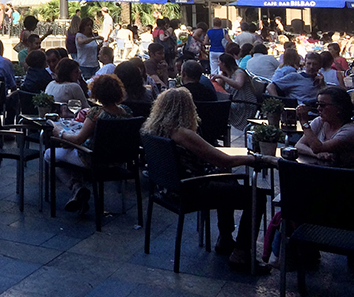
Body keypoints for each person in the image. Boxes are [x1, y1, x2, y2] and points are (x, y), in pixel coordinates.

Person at [142, 88, 269, 273]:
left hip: (167, 189)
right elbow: (222, 159)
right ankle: (241, 252)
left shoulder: (153, 130)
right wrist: (258, 159)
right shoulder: (182, 133)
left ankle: (225, 238)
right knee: (256, 196)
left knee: (228, 181)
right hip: (189, 191)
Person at [49, 74, 133, 213]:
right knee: (70, 154)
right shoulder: (127, 111)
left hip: (92, 159)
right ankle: (78, 193)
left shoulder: (96, 113)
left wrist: (60, 133)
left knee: (48, 154)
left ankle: (76, 187)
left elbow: (78, 140)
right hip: (117, 160)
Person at [295, 85, 354, 167]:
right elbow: (299, 145)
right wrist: (317, 155)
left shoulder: (350, 130)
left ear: (339, 108)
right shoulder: (320, 121)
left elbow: (318, 148)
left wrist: (304, 123)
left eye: (322, 105)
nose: (319, 109)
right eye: (318, 105)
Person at [211, 53, 257, 129]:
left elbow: (238, 85)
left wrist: (221, 77)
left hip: (244, 103)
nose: (218, 64)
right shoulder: (226, 74)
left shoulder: (239, 72)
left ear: (224, 63)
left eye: (219, 62)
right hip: (235, 101)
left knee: (221, 107)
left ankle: (219, 128)